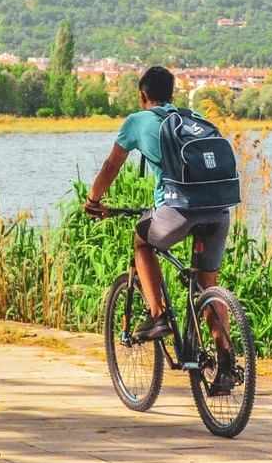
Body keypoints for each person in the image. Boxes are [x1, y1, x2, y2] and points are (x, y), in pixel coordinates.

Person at [84, 64, 234, 382]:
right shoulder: (190, 118)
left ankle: (158, 316)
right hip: (219, 210)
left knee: (142, 241)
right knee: (209, 286)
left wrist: (93, 200)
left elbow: (112, 164)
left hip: (178, 210)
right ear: (172, 94)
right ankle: (226, 363)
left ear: (143, 96)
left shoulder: (137, 121)